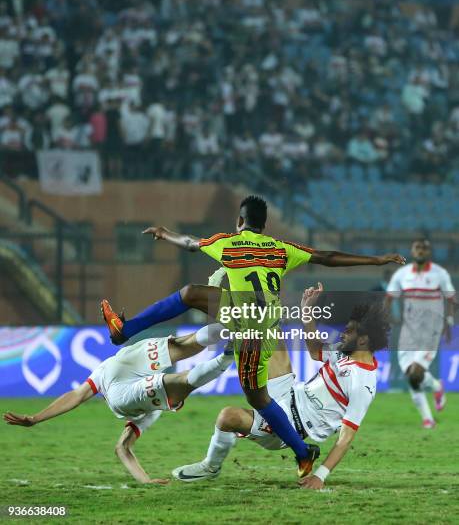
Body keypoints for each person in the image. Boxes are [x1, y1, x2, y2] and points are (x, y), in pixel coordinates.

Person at [101, 195, 405, 478]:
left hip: (251, 330)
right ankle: (124, 331)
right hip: (262, 324)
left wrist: (165, 234)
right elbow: (327, 256)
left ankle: (303, 453)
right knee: (194, 296)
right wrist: (376, 260)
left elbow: (191, 243)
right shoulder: (280, 248)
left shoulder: (228, 243)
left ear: (239, 222)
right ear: (264, 226)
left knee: (255, 395)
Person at [172, 282, 389, 490]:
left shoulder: (363, 383)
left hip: (292, 425)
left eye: (349, 331)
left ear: (363, 341)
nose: (343, 333)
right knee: (269, 328)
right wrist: (306, 311)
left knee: (227, 417)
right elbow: (314, 350)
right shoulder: (344, 352)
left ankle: (210, 466)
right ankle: (234, 330)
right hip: (289, 392)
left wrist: (320, 476)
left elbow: (346, 437)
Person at [3, 325, 233, 484]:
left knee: (184, 356)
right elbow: (121, 447)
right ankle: (234, 336)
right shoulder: (146, 411)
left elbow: (120, 446)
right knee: (183, 358)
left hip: (122, 374)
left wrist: (146, 481)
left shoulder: (145, 410)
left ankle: (231, 341)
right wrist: (34, 419)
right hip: (124, 371)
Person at [386, 238, 455, 428]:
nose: (421, 251)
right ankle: (433, 400)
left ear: (429, 252)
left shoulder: (439, 274)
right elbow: (389, 298)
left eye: (424, 248)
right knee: (411, 376)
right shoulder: (402, 274)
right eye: (417, 248)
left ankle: (429, 414)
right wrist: (387, 319)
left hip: (430, 331)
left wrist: (448, 322)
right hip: (408, 332)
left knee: (416, 373)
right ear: (412, 251)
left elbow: (451, 299)